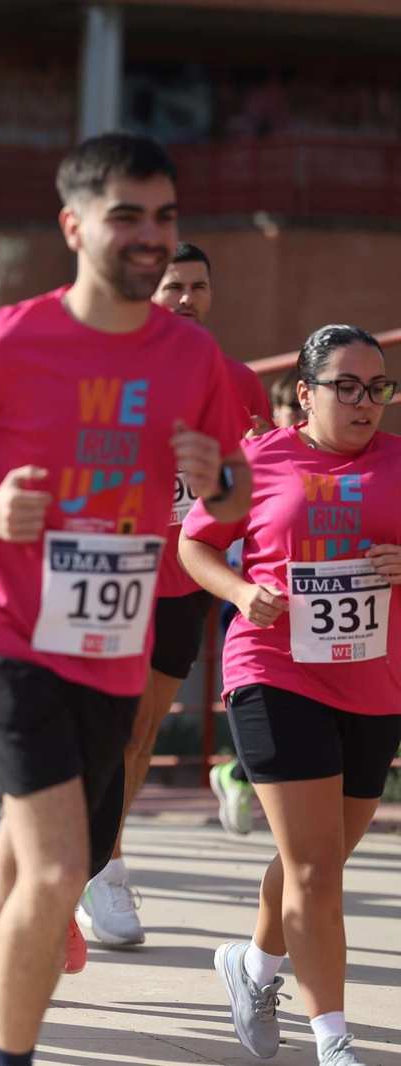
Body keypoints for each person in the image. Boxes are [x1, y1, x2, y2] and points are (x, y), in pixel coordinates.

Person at [0, 131, 252, 1066]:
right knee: (56, 870)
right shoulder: (14, 335)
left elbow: (238, 491)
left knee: (21, 870)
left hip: (110, 643)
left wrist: (219, 481)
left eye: (164, 216)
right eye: (128, 215)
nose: (151, 236)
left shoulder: (192, 357)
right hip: (4, 633)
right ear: (74, 224)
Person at [182, 325, 399, 1066]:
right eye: (347, 385)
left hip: (373, 682)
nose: (366, 401)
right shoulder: (256, 461)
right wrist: (243, 591)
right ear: (304, 393)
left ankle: (251, 968)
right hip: (275, 670)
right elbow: (195, 542)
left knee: (322, 856)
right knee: (312, 863)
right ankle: (334, 1039)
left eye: (378, 387)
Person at [78, 240, 275, 947]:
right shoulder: (112, 370)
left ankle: (102, 865)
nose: (186, 298)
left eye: (197, 286)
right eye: (171, 287)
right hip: (109, 572)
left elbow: (258, 481)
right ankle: (96, 863)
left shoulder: (239, 381)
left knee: (137, 734)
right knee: (97, 727)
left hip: (185, 577)